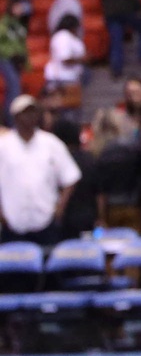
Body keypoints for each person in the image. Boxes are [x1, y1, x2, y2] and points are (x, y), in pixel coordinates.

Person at [0, 94, 81, 246]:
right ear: (16, 116)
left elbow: (71, 176)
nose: (30, 117)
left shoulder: (51, 143)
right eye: (25, 112)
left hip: (45, 220)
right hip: (12, 221)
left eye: (33, 112)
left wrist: (60, 207)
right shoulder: (4, 145)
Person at [43, 14, 86, 95]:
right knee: (66, 107)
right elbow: (65, 59)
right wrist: (83, 59)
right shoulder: (63, 36)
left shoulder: (69, 37)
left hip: (70, 79)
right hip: (61, 80)